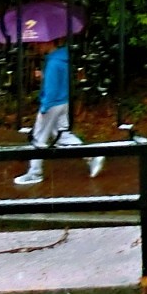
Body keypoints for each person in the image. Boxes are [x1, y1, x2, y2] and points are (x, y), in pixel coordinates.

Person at [14, 37, 105, 185]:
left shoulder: (53, 63)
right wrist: (43, 77)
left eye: (40, 42)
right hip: (63, 102)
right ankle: (92, 156)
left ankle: (35, 173)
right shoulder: (62, 58)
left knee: (38, 137)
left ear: (50, 42)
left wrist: (44, 107)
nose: (36, 46)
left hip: (52, 104)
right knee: (63, 136)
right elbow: (59, 80)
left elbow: (51, 88)